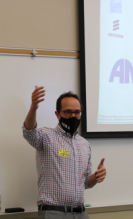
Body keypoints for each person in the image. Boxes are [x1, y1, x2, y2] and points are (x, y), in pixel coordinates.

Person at [22, 86, 107, 219]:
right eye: (68, 112)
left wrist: (96, 177)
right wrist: (34, 107)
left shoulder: (84, 144)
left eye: (77, 112)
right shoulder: (46, 136)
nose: (73, 116)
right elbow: (29, 133)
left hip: (81, 213)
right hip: (54, 212)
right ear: (57, 114)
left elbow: (86, 183)